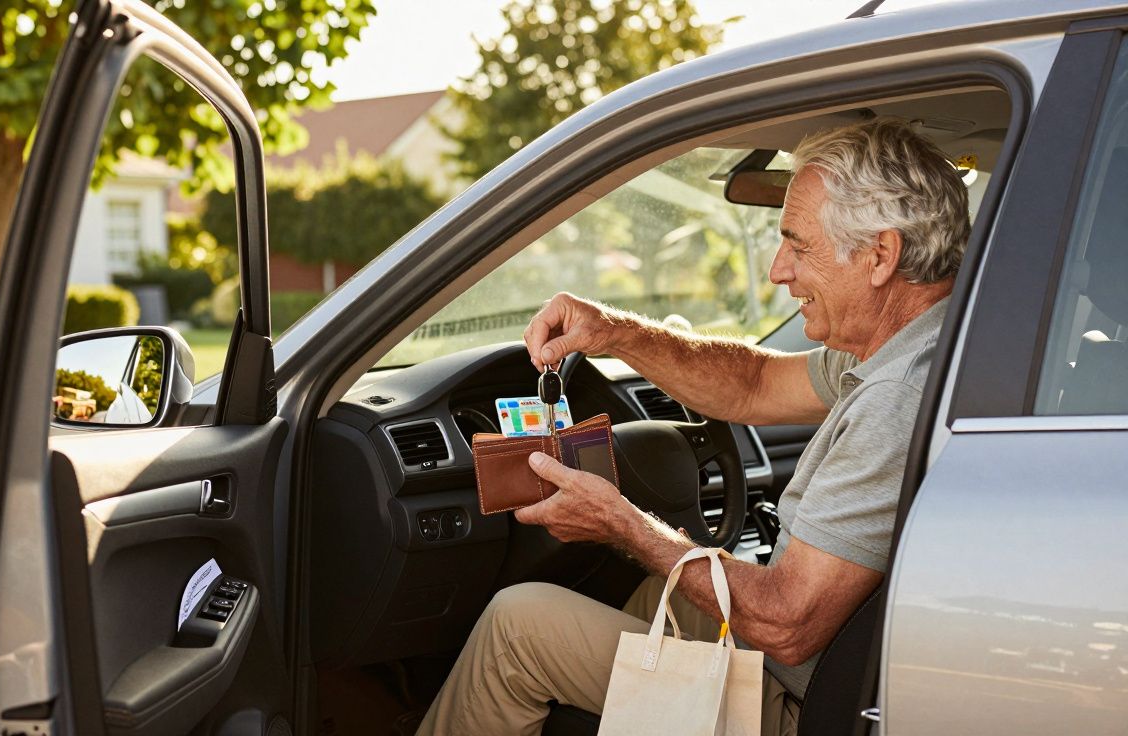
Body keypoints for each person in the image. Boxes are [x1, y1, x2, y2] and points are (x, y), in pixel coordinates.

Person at [416, 118, 972, 736]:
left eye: (799, 246)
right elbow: (754, 383)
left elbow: (787, 625)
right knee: (660, 598)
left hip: (802, 702)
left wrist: (624, 523)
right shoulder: (925, 341)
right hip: (821, 662)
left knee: (516, 627)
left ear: (880, 256)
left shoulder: (896, 395)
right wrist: (616, 333)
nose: (778, 270)